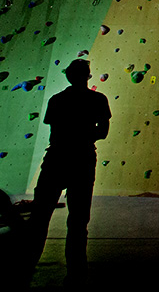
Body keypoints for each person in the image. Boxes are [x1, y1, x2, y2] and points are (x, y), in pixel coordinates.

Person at [29, 59, 111, 284]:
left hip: (56, 157)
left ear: (68, 76)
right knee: (78, 220)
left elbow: (54, 131)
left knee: (40, 215)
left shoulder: (57, 100)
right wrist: (84, 137)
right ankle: (76, 272)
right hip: (83, 158)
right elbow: (102, 132)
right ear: (88, 75)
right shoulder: (98, 99)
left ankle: (26, 264)